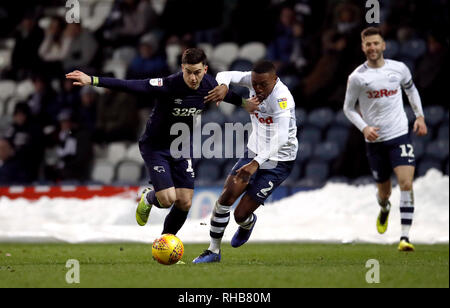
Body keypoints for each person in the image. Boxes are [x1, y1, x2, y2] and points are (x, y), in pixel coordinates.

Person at [66, 48, 257, 237]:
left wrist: (245, 104)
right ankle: (149, 197)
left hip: (181, 147)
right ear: (182, 68)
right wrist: (92, 80)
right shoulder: (168, 85)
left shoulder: (209, 84)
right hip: (155, 146)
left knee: (185, 202)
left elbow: (227, 95)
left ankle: (166, 242)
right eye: (188, 72)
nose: (192, 78)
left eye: (197, 72)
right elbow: (131, 85)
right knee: (167, 200)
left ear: (205, 70)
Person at [192, 60, 298, 263]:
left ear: (275, 80)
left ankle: (247, 223)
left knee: (240, 215)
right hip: (254, 152)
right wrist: (223, 86)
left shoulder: (282, 98)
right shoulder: (253, 81)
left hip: (279, 161)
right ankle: (213, 251)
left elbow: (282, 137)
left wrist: (255, 164)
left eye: (263, 85)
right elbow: (224, 73)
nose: (257, 88)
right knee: (225, 198)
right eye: (255, 83)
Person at [343, 27, 428, 252]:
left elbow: (411, 91)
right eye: (368, 44)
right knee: (384, 191)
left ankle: (405, 237)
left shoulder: (398, 69)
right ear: (363, 47)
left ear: (383, 45)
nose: (372, 47)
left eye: (376, 43)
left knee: (406, 183)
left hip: (399, 135)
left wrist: (419, 116)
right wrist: (364, 127)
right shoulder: (357, 77)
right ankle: (384, 207)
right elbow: (348, 108)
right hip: (375, 141)